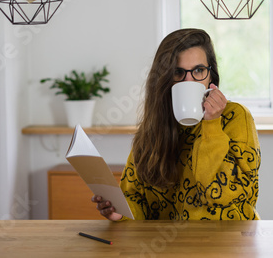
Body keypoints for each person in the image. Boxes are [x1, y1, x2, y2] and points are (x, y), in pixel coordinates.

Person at [92, 28, 261, 220]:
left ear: (211, 76)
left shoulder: (235, 117)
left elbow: (225, 195)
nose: (189, 80)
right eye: (178, 72)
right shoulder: (153, 127)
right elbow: (136, 199)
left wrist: (212, 124)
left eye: (199, 70)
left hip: (228, 243)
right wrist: (118, 212)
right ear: (165, 79)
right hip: (170, 247)